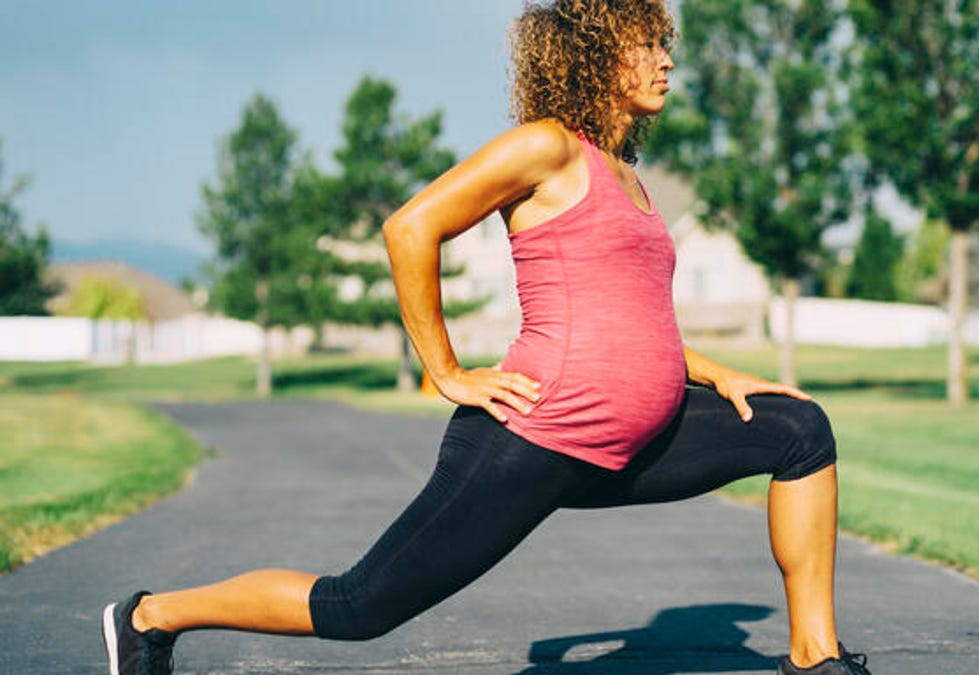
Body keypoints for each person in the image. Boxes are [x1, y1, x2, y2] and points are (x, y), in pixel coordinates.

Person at [101, 2, 872, 674]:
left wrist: (714, 375)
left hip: (632, 441)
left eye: (663, 41)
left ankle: (815, 657)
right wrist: (444, 369)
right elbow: (411, 227)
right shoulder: (547, 147)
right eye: (646, 42)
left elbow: (627, 316)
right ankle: (149, 616)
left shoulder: (624, 174)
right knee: (361, 603)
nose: (666, 58)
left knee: (798, 429)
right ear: (596, 53)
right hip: (534, 438)